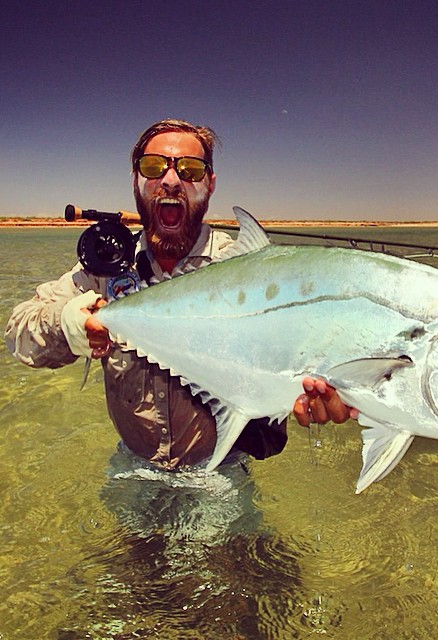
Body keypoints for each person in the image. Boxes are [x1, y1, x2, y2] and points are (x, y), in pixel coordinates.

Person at [4, 118, 356, 475]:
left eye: (190, 170)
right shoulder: (106, 270)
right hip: (133, 468)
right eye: (153, 167)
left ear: (210, 184)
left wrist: (334, 389)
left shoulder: (247, 271)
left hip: (220, 474)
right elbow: (18, 333)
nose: (171, 180)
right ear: (135, 180)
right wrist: (70, 324)